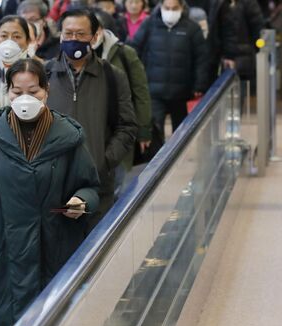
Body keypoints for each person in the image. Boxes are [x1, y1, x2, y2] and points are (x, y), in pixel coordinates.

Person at [0, 58, 100, 326]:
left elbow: (90, 187)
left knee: (54, 325)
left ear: (47, 90)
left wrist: (81, 202)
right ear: (7, 91)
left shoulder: (68, 136)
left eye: (34, 91)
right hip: (1, 251)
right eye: (17, 91)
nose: (25, 98)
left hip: (53, 248)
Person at [46, 9, 137, 230]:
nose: (73, 40)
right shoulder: (44, 74)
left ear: (95, 37)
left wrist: (104, 161)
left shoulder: (112, 75)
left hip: (97, 184)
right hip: (52, 183)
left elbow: (127, 125)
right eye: (68, 34)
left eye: (80, 34)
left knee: (96, 248)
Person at [129, 0, 210, 140]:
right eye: (167, 8)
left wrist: (200, 84)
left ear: (181, 7)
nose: (170, 11)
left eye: (174, 8)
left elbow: (202, 58)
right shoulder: (149, 24)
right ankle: (156, 160)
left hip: (181, 92)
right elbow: (134, 49)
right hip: (153, 90)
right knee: (155, 130)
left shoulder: (192, 28)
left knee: (180, 134)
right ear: (161, 7)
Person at [91, 10, 152, 172]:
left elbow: (141, 93)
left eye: (96, 31)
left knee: (119, 178)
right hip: (91, 129)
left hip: (119, 126)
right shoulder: (74, 56)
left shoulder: (125, 53)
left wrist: (144, 129)